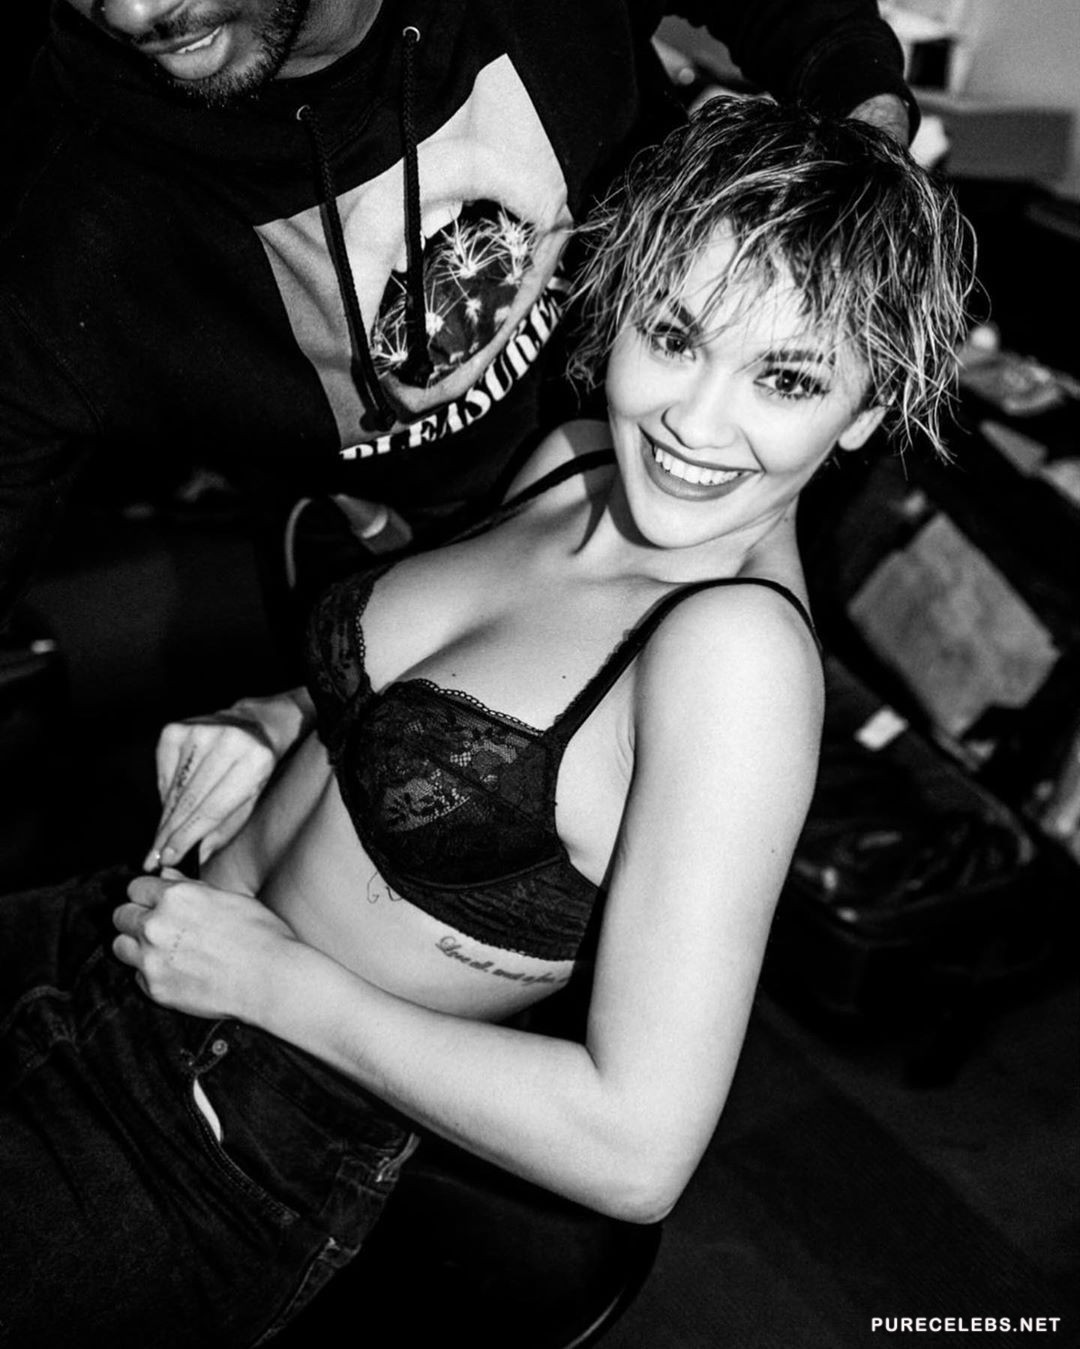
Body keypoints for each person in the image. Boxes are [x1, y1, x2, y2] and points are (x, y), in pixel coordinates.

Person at [0, 95, 971, 1347]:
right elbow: (429, 695)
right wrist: (274, 716)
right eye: (675, 336)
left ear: (867, 410)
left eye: (786, 377)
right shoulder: (576, 457)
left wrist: (275, 982)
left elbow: (635, 1147)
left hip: (216, 1126)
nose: (694, 420)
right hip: (128, 922)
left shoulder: (734, 661)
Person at [0, 0, 917, 635]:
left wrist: (864, 152)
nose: (132, 14)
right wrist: (299, 719)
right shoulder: (56, 229)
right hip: (394, 610)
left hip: (693, 527)